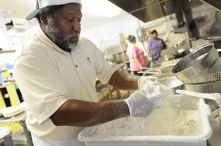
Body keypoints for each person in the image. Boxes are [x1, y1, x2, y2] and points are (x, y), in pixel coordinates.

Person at [13, 0, 164, 145]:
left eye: (79, 20)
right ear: (45, 19)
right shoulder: (30, 58)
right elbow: (60, 113)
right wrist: (128, 106)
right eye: (70, 19)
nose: (77, 27)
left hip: (90, 131)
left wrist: (140, 82)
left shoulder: (84, 45)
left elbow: (109, 73)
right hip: (58, 143)